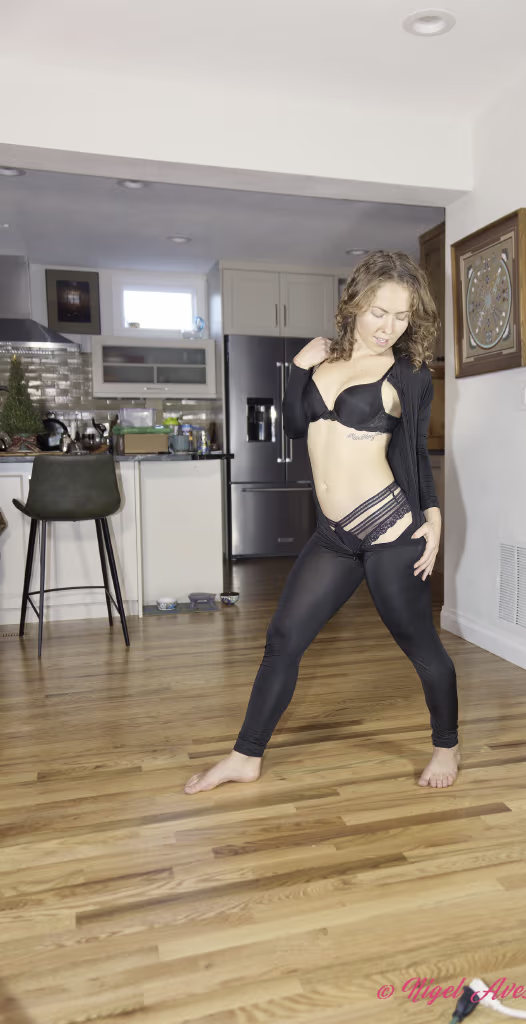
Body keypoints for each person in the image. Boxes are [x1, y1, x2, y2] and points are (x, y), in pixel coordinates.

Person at [185, 251, 460, 794]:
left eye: (401, 316)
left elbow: (413, 455)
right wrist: (298, 369)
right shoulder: (322, 358)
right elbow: (294, 425)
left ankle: (446, 746)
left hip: (389, 530)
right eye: (379, 312)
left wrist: (433, 518)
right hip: (333, 535)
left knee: (420, 646)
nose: (388, 327)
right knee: (283, 639)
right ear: (354, 303)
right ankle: (244, 756)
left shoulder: (408, 374)